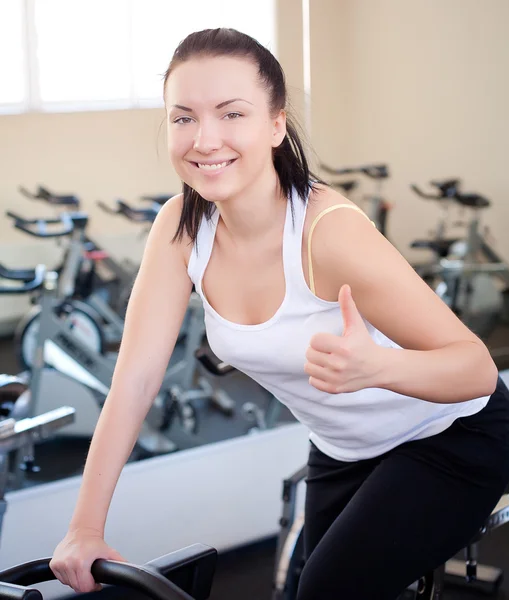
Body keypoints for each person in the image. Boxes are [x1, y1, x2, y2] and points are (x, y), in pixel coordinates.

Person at [50, 28, 509, 599]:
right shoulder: (179, 227)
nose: (205, 138)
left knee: (325, 590)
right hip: (343, 450)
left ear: (275, 125)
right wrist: (84, 529)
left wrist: (378, 369)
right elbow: (135, 381)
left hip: (449, 435)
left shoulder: (326, 232)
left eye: (231, 113)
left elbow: (475, 370)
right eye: (183, 117)